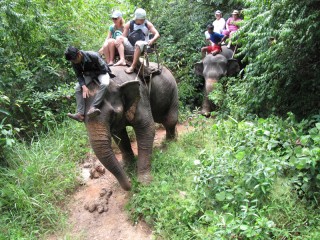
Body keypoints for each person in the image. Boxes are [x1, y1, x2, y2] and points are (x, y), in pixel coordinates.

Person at [64, 46, 115, 122]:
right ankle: (80, 113)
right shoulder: (74, 62)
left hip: (100, 73)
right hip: (89, 75)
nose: (74, 62)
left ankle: (94, 106)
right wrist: (84, 86)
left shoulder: (93, 55)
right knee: (77, 88)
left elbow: (104, 70)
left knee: (105, 84)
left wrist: (90, 74)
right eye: (72, 61)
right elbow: (79, 75)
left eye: (74, 60)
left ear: (79, 54)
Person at [114, 8, 160, 74]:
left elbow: (157, 34)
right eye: (141, 19)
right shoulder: (129, 24)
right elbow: (123, 36)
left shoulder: (147, 24)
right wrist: (118, 41)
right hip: (132, 44)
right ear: (136, 18)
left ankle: (133, 66)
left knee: (138, 43)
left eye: (143, 19)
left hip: (144, 44)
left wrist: (152, 40)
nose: (142, 20)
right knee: (119, 38)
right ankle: (122, 59)